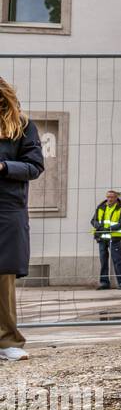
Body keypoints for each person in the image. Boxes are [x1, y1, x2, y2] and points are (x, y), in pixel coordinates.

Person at [0, 77, 44, 362]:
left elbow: (35, 165)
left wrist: (4, 166)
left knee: (2, 277)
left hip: (6, 209)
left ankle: (8, 341)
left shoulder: (22, 126)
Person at [91, 190, 121, 289]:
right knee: (103, 261)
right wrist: (99, 227)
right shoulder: (101, 207)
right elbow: (93, 221)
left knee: (117, 261)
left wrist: (109, 229)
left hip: (114, 238)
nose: (109, 199)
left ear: (116, 198)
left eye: (112, 197)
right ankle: (104, 283)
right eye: (108, 197)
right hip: (102, 238)